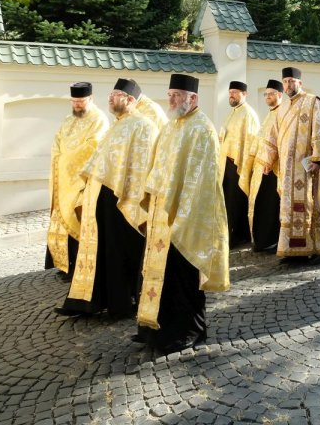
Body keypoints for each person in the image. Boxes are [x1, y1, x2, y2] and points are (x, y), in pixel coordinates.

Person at [138, 74, 230, 356]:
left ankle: (188, 331)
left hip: (186, 217)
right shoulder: (170, 127)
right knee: (157, 275)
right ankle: (155, 328)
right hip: (161, 216)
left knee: (181, 276)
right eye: (170, 94)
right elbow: (156, 167)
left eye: (177, 95)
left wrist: (181, 216)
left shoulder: (202, 129)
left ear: (193, 99)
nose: (171, 100)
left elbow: (202, 180)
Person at [57, 79, 159, 319]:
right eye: (111, 94)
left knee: (119, 253)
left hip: (122, 201)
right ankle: (92, 300)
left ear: (131, 100)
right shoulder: (117, 125)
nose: (110, 98)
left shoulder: (144, 126)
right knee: (101, 252)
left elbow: (142, 167)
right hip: (101, 198)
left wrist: (132, 198)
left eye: (117, 94)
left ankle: (121, 303)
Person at [260, 67, 320, 262]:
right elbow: (273, 135)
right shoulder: (282, 108)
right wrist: (268, 160)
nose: (288, 85)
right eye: (285, 82)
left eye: (292, 81)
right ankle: (292, 249)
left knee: (311, 205)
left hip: (306, 167)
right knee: (288, 208)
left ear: (299, 83)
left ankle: (317, 248)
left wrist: (318, 159)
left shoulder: (312, 102)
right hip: (286, 169)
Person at [46, 82, 109, 280]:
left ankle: (78, 268)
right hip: (63, 178)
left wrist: (67, 160)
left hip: (83, 181)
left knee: (79, 220)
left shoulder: (99, 119)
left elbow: (94, 145)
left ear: (90, 99)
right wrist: (58, 158)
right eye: (74, 102)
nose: (77, 106)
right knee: (61, 218)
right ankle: (64, 263)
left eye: (81, 102)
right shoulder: (68, 118)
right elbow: (57, 140)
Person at [240, 80, 287, 252]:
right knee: (261, 204)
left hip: (274, 169)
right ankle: (261, 239)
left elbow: (283, 141)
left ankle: (271, 240)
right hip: (262, 167)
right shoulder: (270, 114)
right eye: (266, 94)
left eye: (271, 94)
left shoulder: (283, 113)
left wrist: (270, 161)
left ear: (280, 95)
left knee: (271, 206)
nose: (268, 97)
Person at [219, 81, 258, 247]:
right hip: (226, 162)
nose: (231, 95)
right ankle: (232, 232)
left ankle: (239, 234)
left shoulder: (248, 114)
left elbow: (250, 140)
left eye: (235, 92)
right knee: (228, 200)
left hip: (239, 164)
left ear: (244, 94)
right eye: (230, 92)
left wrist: (242, 162)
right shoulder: (233, 112)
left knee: (237, 201)